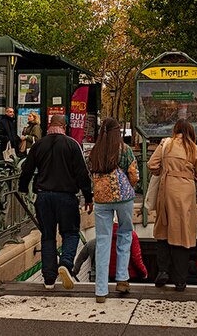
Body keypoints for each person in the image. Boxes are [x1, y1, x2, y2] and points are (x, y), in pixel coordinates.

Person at [18, 113, 92, 290]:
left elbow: (27, 169)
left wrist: (22, 188)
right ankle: (65, 264)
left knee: (48, 236)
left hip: (43, 197)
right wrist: (88, 197)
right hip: (66, 197)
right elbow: (82, 174)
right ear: (64, 127)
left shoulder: (39, 145)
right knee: (71, 233)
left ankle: (49, 279)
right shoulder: (72, 145)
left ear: (50, 125)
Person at [147, 118, 197, 292]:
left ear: (175, 130)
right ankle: (180, 280)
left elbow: (151, 165)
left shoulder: (166, 144)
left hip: (167, 190)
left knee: (163, 231)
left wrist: (164, 171)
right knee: (183, 236)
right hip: (186, 194)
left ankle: (163, 270)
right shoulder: (196, 149)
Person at [88, 117, 138, 303]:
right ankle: (122, 278)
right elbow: (133, 174)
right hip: (124, 197)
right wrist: (131, 185)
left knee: (102, 239)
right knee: (125, 233)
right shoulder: (124, 150)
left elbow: (91, 170)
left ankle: (101, 290)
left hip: (101, 199)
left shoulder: (96, 150)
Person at [72, 224, 148, 284]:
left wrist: (74, 272)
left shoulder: (92, 243)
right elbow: (136, 258)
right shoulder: (129, 236)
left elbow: (80, 259)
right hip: (125, 276)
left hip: (97, 276)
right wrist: (143, 273)